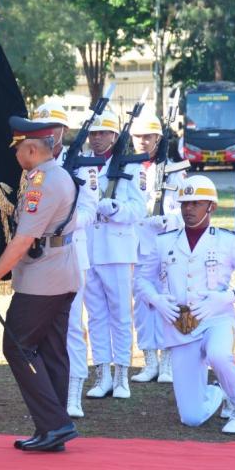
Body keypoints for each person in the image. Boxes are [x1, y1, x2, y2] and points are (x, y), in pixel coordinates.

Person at [0, 117, 80, 453]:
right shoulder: (51, 175)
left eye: (18, 149)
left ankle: (56, 424)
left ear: (32, 149)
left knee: (17, 346)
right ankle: (53, 429)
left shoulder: (41, 182)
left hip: (42, 278)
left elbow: (22, 240)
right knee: (52, 352)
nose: (16, 156)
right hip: (61, 272)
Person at [137, 175, 235, 434]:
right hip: (179, 326)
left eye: (196, 203)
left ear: (211, 206)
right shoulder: (164, 241)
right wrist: (155, 299)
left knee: (219, 356)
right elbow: (142, 280)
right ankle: (218, 391)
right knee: (192, 417)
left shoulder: (228, 240)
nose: (188, 209)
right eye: (185, 203)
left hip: (216, 319)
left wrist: (228, 297)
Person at [31, 102, 99, 419]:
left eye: (53, 128)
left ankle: (73, 393)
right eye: (42, 128)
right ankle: (47, 396)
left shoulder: (82, 166)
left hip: (71, 251)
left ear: (63, 132)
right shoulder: (30, 164)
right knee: (40, 329)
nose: (48, 134)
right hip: (37, 255)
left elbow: (90, 209)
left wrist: (63, 220)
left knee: (71, 326)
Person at [84, 109, 147, 400]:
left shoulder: (131, 167)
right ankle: (102, 374)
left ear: (114, 135)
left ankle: (122, 375)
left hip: (117, 249)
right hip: (88, 248)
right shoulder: (82, 165)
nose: (97, 139)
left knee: (121, 315)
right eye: (93, 133)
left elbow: (140, 209)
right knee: (95, 315)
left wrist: (118, 209)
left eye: (103, 133)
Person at [130, 111, 186, 384]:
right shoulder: (127, 168)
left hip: (165, 245)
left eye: (149, 136)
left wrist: (169, 220)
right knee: (142, 305)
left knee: (168, 302)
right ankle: (149, 360)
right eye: (139, 136)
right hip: (137, 246)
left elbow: (185, 207)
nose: (143, 141)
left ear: (158, 139)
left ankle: (168, 361)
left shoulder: (175, 169)